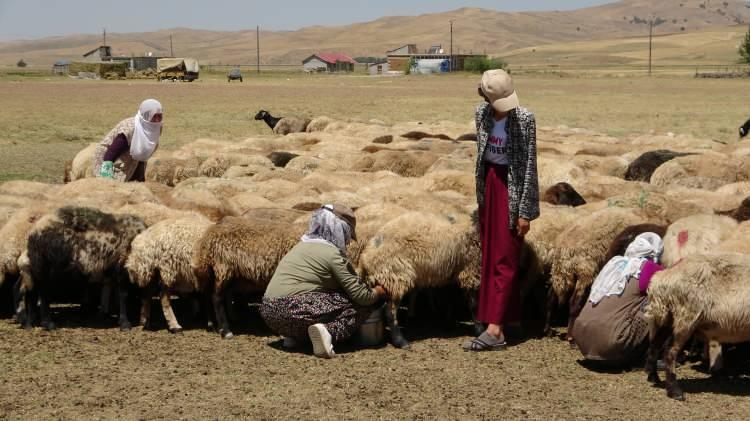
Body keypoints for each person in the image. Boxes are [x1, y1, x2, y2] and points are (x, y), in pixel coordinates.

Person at [463, 69, 540, 351]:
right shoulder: (481, 114)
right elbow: (483, 158)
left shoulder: (524, 119)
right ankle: (502, 319)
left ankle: (496, 330)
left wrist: (525, 211)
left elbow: (529, 165)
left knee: (505, 258)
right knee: (490, 255)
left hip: (512, 188)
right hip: (490, 185)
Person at [260, 204, 387, 359]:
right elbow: (361, 296)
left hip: (269, 312)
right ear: (340, 231)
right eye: (347, 235)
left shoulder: (300, 246)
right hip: (295, 310)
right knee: (359, 305)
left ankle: (294, 337)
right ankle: (327, 332)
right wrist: (379, 291)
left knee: (324, 296)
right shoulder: (333, 254)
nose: (347, 242)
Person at [572, 232, 665, 366]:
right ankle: (648, 356)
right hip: (613, 343)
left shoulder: (614, 264)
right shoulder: (649, 268)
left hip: (582, 339)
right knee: (658, 301)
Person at [92, 99, 163, 182]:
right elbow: (112, 151)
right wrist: (106, 174)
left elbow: (143, 152)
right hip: (110, 157)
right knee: (115, 186)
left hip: (134, 159)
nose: (157, 119)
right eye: (154, 116)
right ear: (146, 115)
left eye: (160, 116)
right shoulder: (130, 129)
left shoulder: (157, 127)